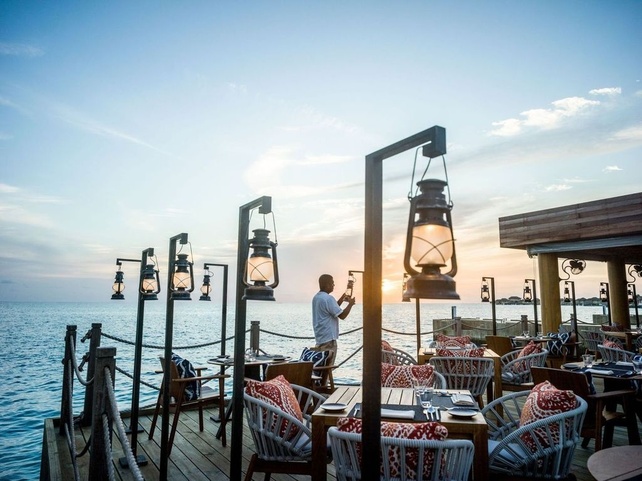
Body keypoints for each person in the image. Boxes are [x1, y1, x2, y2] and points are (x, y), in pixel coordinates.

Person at [311, 273, 355, 362]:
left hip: (320, 338)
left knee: (321, 365)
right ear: (327, 285)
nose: (333, 285)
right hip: (329, 340)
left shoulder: (316, 297)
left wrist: (343, 297)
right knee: (328, 366)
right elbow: (342, 315)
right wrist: (350, 304)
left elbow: (333, 308)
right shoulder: (328, 298)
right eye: (332, 283)